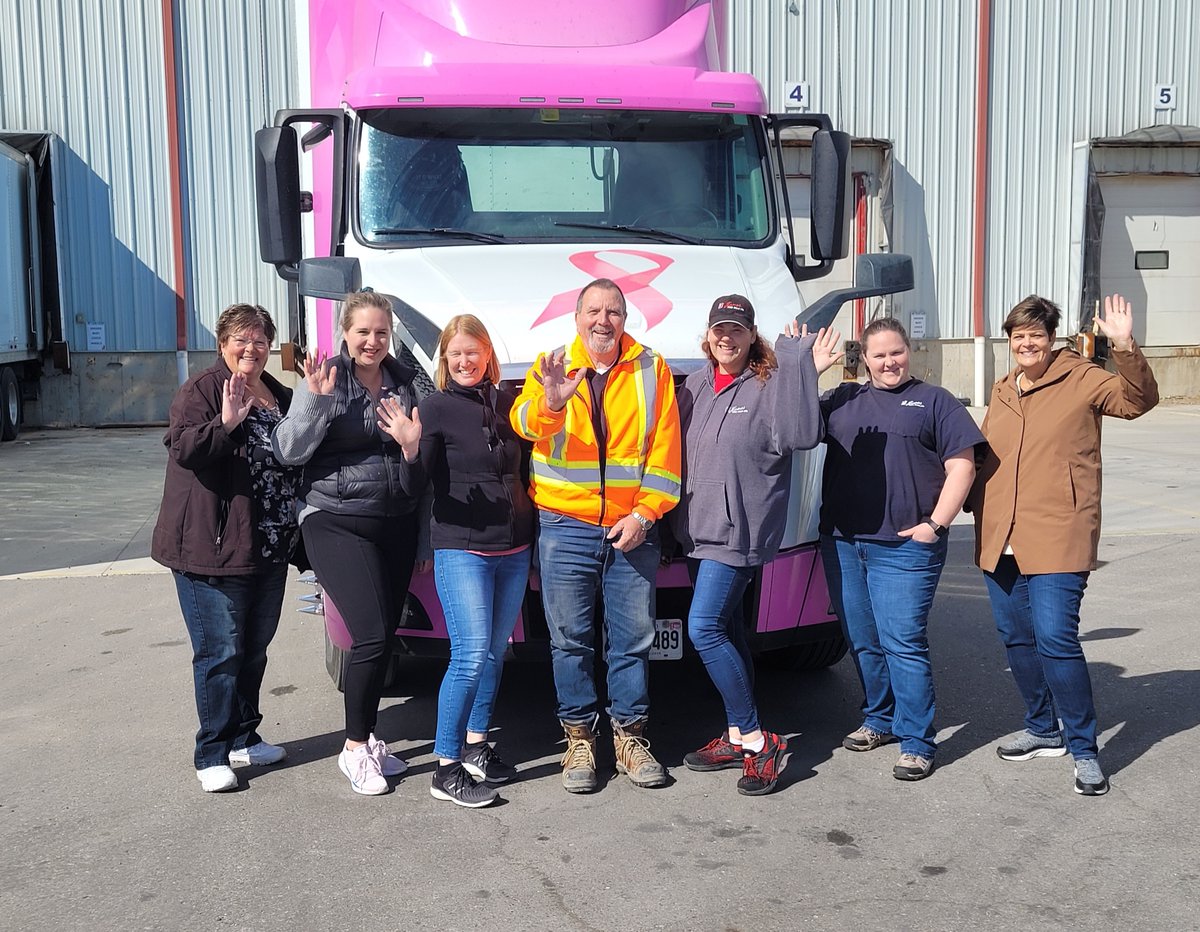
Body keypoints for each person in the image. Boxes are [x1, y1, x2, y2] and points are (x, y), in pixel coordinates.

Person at [970, 294, 1158, 796]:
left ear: (1051, 338)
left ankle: (1083, 749)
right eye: (1018, 336)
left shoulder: (1083, 378)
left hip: (1058, 530)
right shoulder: (1005, 387)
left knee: (1055, 639)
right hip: (999, 534)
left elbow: (1137, 402)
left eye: (1035, 334)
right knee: (1017, 639)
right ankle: (1041, 728)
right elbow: (986, 455)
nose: (1026, 343)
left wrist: (1123, 344)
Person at [510, 277, 681, 793]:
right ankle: (579, 742)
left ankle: (630, 739)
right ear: (577, 316)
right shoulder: (552, 363)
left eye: (613, 311)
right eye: (593, 311)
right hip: (565, 527)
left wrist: (645, 515)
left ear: (625, 319)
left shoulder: (653, 368)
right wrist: (552, 403)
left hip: (634, 528)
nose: (602, 320)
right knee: (570, 640)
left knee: (632, 641)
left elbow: (665, 452)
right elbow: (523, 423)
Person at [671, 295, 826, 796]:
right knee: (730, 630)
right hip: (697, 529)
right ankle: (737, 734)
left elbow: (802, 436)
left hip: (739, 532)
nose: (726, 338)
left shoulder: (771, 382)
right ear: (708, 333)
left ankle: (761, 741)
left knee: (704, 628)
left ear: (752, 335)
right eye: (719, 329)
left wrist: (800, 363)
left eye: (736, 331)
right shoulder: (694, 384)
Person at [272, 290, 425, 796]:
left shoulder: (406, 382)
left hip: (396, 519)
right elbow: (290, 451)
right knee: (372, 636)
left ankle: (371, 740)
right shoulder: (325, 380)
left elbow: (420, 458)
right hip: (335, 519)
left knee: (386, 636)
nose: (373, 341)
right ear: (345, 332)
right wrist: (314, 402)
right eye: (363, 331)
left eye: (381, 332)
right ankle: (354, 747)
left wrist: (409, 445)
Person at [818, 317, 984, 781]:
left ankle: (916, 741)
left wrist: (936, 523)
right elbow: (791, 428)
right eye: (879, 355)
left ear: (909, 352)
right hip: (845, 542)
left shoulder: (935, 401)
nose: (889, 362)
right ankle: (880, 719)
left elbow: (962, 467)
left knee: (902, 643)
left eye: (896, 352)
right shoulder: (841, 399)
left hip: (906, 547)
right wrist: (808, 371)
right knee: (862, 640)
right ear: (864, 359)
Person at [152, 303, 299, 793]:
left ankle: (244, 736)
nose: (251, 349)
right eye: (241, 339)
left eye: (259, 340)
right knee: (220, 652)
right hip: (211, 548)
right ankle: (212, 752)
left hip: (268, 545)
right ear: (222, 344)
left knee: (254, 649)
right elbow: (184, 448)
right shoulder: (201, 391)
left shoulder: (278, 393)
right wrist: (227, 423)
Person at [410, 314, 535, 808]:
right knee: (468, 655)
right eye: (455, 353)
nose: (465, 361)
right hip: (462, 548)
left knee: (493, 652)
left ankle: (478, 746)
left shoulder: (507, 404)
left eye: (473, 351)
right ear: (444, 359)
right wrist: (408, 446)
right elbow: (416, 482)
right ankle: (446, 766)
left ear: (488, 355)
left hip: (515, 546)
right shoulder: (434, 407)